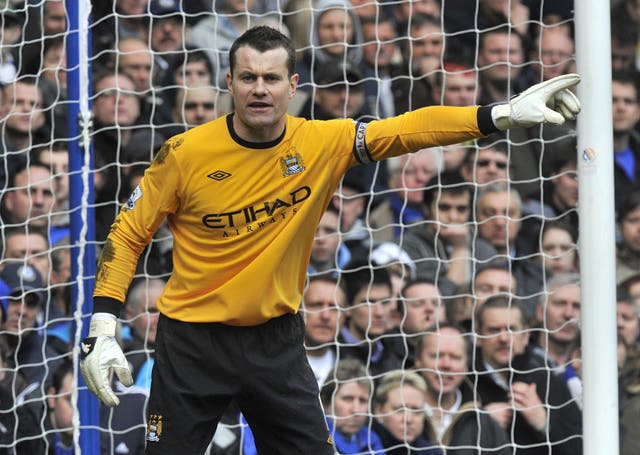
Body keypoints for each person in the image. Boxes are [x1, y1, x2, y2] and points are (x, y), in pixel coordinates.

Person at [79, 25, 581, 454]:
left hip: (275, 341)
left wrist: (498, 115)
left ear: (292, 84)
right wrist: (103, 326)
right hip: (191, 342)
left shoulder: (322, 142)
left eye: (271, 78)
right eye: (248, 77)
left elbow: (407, 129)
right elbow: (127, 235)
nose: (260, 89)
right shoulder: (184, 154)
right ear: (228, 83)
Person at [473, 296, 583, 454]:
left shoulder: (550, 382)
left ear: (525, 336)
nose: (504, 338)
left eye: (512, 329)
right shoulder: (465, 382)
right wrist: (480, 423)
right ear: (478, 336)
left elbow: (581, 448)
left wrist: (543, 423)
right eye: (494, 330)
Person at [413, 323, 511, 454]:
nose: (446, 365)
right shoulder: (396, 413)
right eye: (436, 356)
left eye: (455, 358)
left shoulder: (485, 426)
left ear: (466, 365)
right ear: (418, 360)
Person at [320, 358, 385, 454]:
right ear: (326, 402)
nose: (356, 410)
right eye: (347, 399)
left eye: (362, 401)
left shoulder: (372, 440)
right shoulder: (314, 438)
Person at [372, 370, 442, 454]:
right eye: (400, 410)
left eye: (416, 410)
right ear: (379, 411)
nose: (408, 419)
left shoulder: (432, 453)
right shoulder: (362, 447)